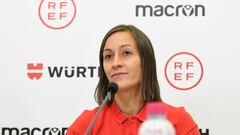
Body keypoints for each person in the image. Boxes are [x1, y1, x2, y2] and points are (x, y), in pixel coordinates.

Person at [66, 24, 200, 135]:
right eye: (108, 56)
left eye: (126, 53)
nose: (115, 63)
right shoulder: (88, 123)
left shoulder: (178, 120)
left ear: (146, 62)